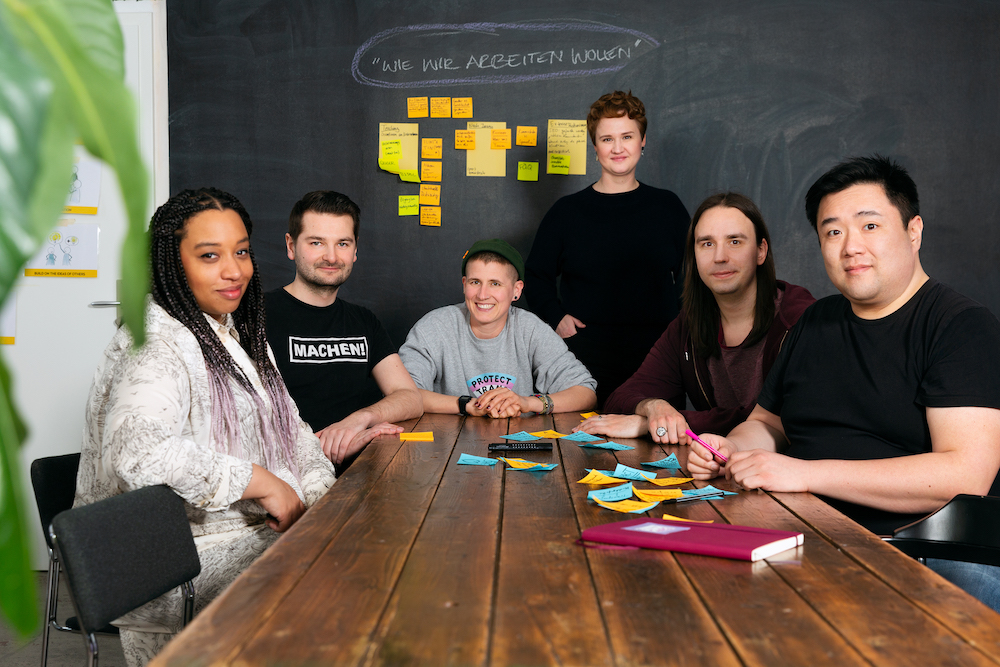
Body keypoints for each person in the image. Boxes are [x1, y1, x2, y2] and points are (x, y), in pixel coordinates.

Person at [687, 156, 1000, 609]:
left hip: (917, 553)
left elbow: (966, 473)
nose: (850, 246)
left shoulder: (960, 327)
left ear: (914, 231)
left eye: (869, 226)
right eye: (833, 232)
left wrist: (805, 473)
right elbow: (766, 423)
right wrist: (733, 449)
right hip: (802, 534)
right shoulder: (815, 322)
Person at [75, 188, 336, 665]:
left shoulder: (234, 331)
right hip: (175, 560)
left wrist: (316, 496)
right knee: (336, 595)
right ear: (172, 265)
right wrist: (263, 483)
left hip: (243, 533)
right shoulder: (154, 341)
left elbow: (292, 429)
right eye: (209, 256)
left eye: (240, 251)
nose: (233, 270)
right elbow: (138, 453)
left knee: (359, 561)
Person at [577, 193, 815, 444]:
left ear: (760, 251)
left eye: (735, 242)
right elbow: (621, 397)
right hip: (724, 468)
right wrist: (653, 408)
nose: (720, 257)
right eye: (707, 243)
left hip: (797, 472)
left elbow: (776, 417)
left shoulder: (799, 321)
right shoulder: (688, 326)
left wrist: (655, 424)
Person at [524, 90, 690, 404]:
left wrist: (683, 328)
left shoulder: (667, 207)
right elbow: (535, 274)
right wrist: (556, 317)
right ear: (595, 146)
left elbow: (692, 274)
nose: (617, 148)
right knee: (583, 448)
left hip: (659, 358)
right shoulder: (567, 212)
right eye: (607, 139)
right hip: (586, 359)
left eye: (627, 136)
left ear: (643, 141)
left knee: (659, 445)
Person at [265, 191, 422, 468]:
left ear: (355, 249)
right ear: (291, 246)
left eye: (343, 243)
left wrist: (359, 419)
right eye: (316, 242)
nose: (331, 256)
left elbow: (410, 397)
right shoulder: (257, 316)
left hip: (358, 475)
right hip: (285, 474)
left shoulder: (363, 321)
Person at [399, 239, 597, 417]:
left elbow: (585, 393)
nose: (483, 295)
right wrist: (466, 405)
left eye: (495, 284)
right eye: (475, 282)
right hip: (442, 449)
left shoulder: (531, 329)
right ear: (464, 284)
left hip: (517, 446)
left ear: (516, 290)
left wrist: (527, 402)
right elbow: (401, 393)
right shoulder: (434, 327)